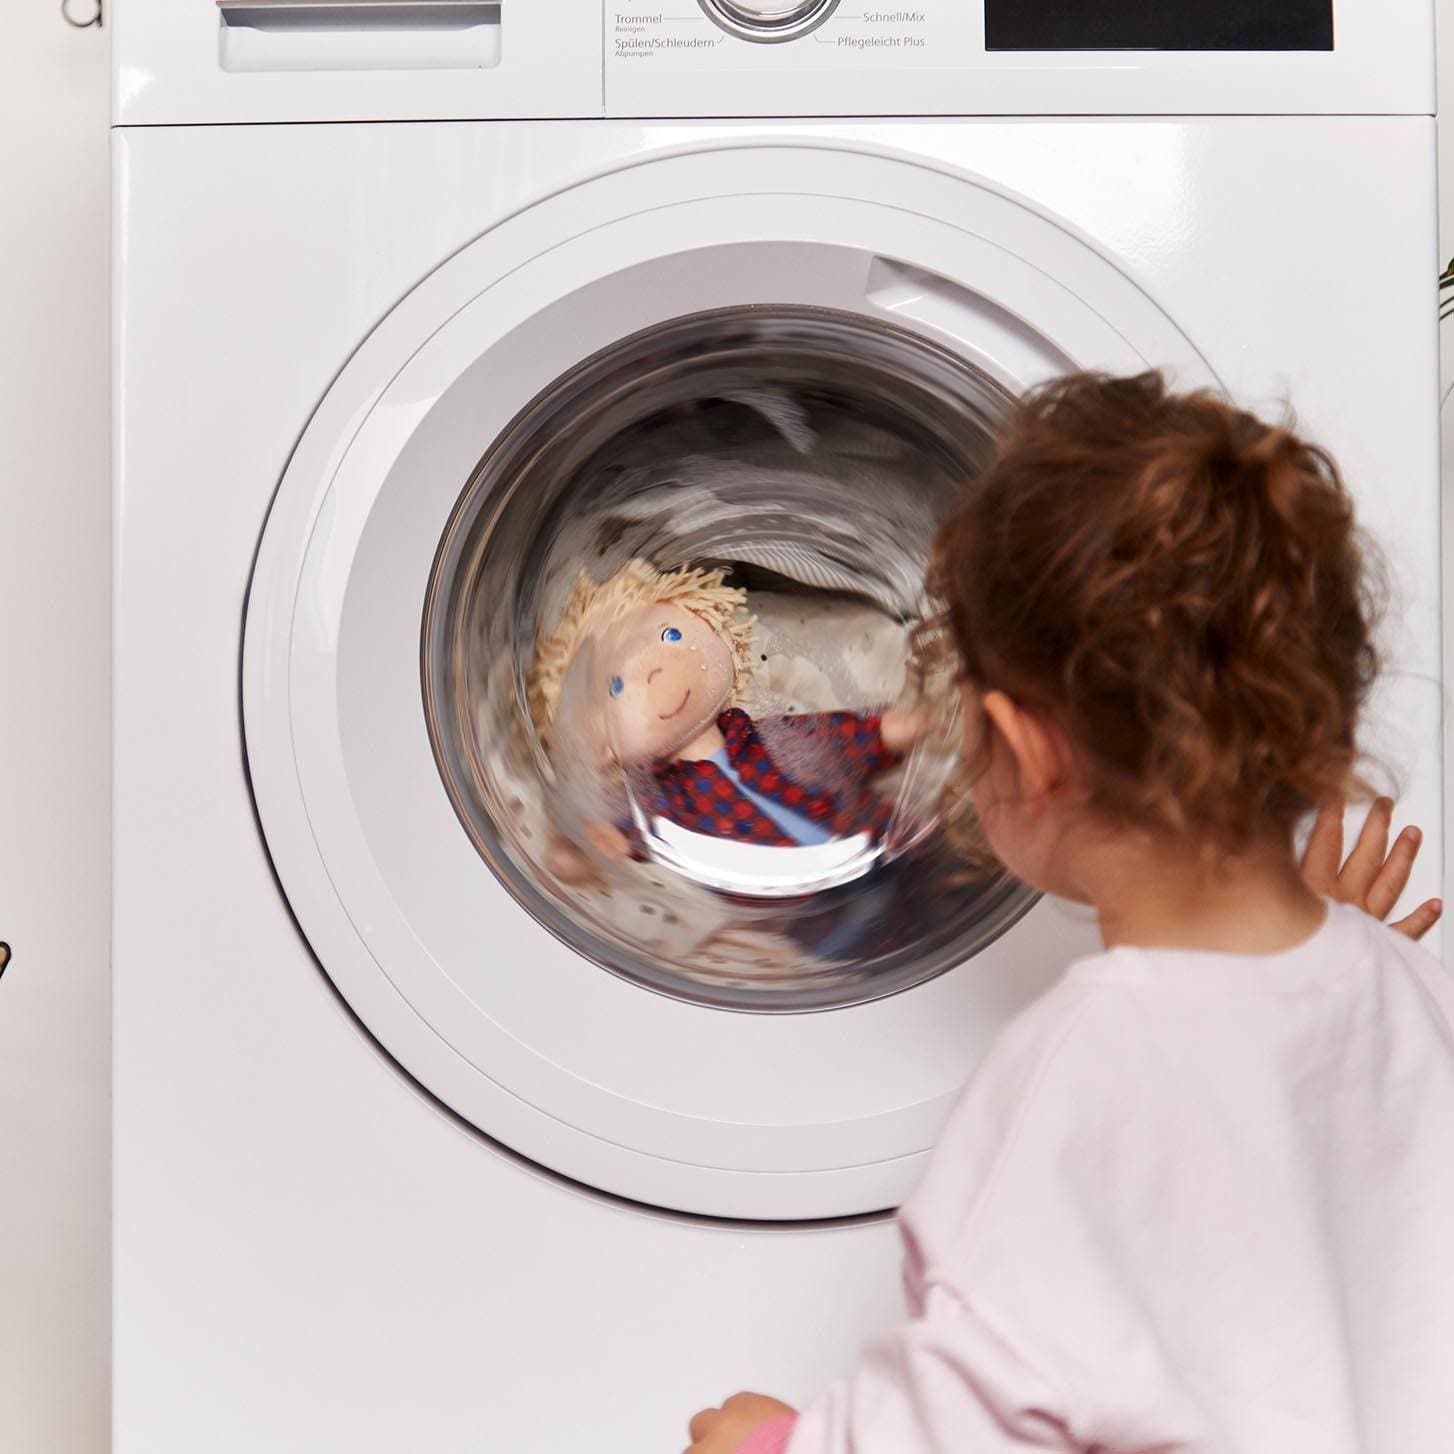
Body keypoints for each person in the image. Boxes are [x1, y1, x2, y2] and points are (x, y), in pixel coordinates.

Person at [685, 372, 1454, 1454]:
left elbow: (960, 1428)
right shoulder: (1414, 992)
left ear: (1026, 749)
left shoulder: (1075, 1074)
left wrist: (765, 1444)